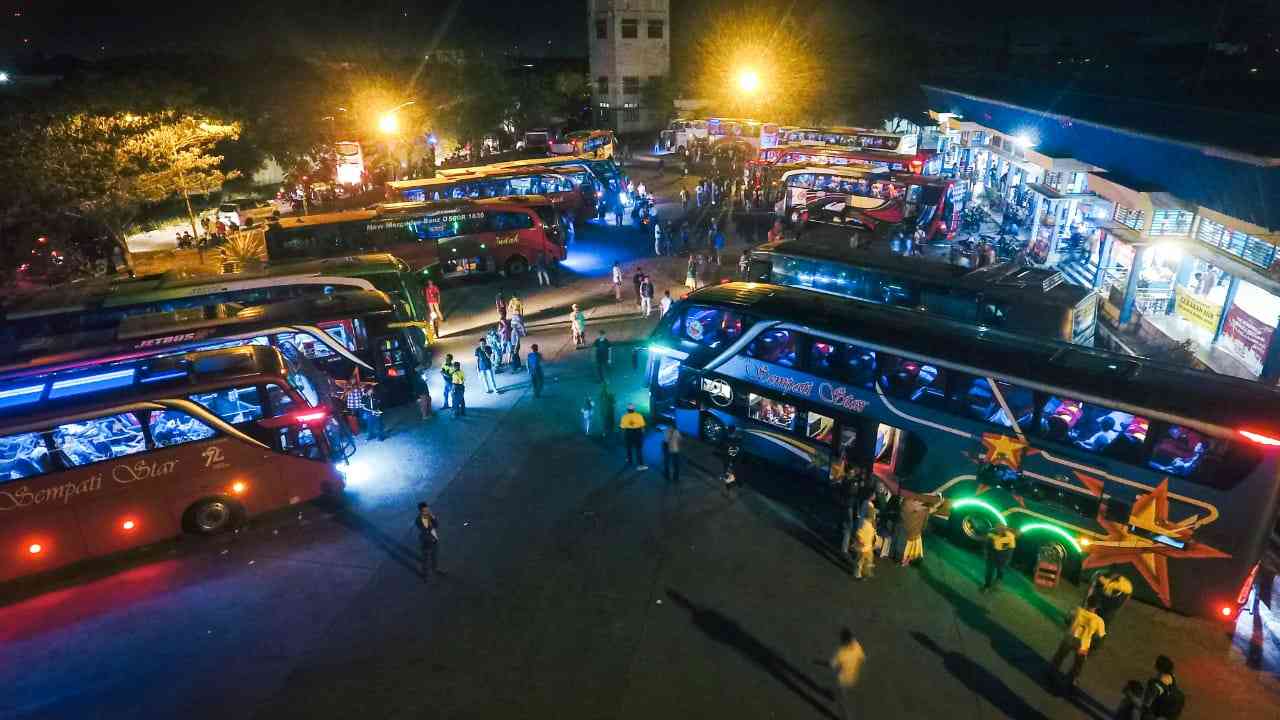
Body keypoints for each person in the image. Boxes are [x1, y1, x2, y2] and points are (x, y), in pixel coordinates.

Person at [1049, 598, 1106, 690]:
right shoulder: (1099, 621)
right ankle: (1072, 681)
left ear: (1087, 603)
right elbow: (1101, 637)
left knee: (1059, 656)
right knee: (1078, 665)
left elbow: (1067, 620)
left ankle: (1051, 671)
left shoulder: (1076, 610)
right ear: (1097, 607)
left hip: (1070, 638)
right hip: (1083, 645)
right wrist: (1092, 648)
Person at [1085, 570, 1133, 647]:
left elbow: (1127, 597)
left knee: (1103, 625)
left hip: (1110, 608)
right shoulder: (1104, 576)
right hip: (1103, 604)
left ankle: (1095, 643)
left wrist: (1118, 609)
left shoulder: (1125, 585)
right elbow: (1094, 584)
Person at [829, 628, 865, 720]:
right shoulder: (857, 646)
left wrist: (822, 662)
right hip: (853, 678)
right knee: (843, 692)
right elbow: (862, 657)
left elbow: (832, 665)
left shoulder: (841, 653)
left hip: (843, 680)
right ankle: (833, 694)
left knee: (841, 701)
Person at [982, 525, 1017, 592]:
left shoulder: (1010, 537)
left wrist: (1006, 560)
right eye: (998, 529)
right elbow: (987, 543)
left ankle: (998, 578)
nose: (999, 531)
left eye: (1001, 530)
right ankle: (987, 586)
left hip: (1002, 556)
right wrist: (986, 552)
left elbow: (1010, 550)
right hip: (993, 554)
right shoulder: (991, 533)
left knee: (1000, 569)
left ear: (1004, 530)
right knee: (989, 570)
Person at [415, 502, 441, 580]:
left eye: (427, 509)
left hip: (434, 538)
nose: (426, 511)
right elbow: (425, 529)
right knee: (425, 559)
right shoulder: (418, 519)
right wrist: (428, 518)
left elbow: (436, 525)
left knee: (434, 556)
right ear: (420, 511)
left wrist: (433, 517)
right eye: (424, 510)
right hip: (425, 541)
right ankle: (425, 574)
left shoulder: (430, 516)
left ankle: (435, 569)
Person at [620, 403, 647, 469]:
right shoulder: (639, 415)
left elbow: (622, 427)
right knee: (638, 449)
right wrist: (642, 435)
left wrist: (624, 435)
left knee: (629, 448)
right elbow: (642, 427)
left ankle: (630, 461)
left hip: (628, 433)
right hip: (637, 433)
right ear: (634, 409)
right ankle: (640, 465)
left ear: (627, 409)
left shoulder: (624, 416)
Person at [853, 513, 877, 580]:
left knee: (868, 560)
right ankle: (857, 574)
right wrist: (860, 541)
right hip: (863, 547)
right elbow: (858, 533)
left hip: (868, 547)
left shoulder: (870, 524)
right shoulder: (864, 523)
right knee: (860, 561)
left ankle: (866, 572)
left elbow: (872, 534)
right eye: (873, 516)